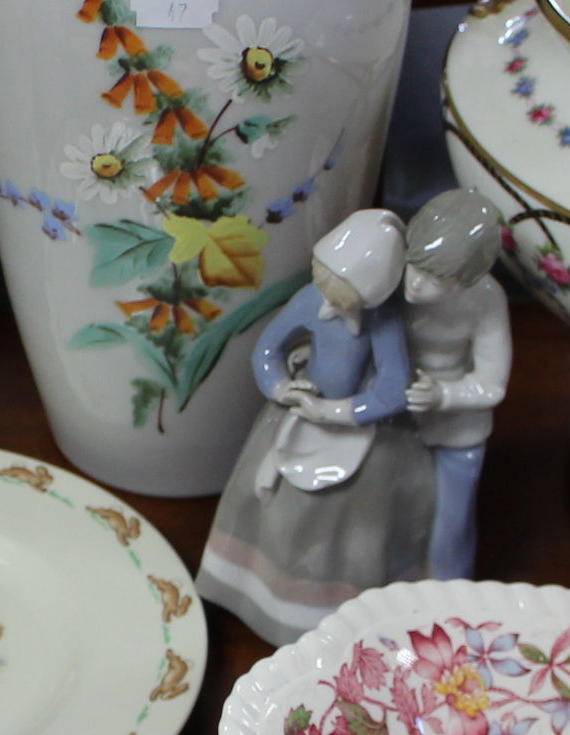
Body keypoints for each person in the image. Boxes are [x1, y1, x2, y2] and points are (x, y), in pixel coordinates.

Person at [198, 208, 433, 640]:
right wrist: (281, 387)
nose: (324, 292)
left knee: (350, 527)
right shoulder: (310, 299)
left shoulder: (383, 321)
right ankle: (245, 589)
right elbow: (267, 349)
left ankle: (327, 618)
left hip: (358, 429)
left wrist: (342, 413)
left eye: (337, 288)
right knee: (267, 505)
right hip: (300, 409)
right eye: (321, 276)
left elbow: (393, 387)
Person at [398, 189, 512, 580]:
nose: (416, 286)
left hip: (455, 432)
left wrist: (444, 394)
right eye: (415, 267)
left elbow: (493, 384)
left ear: (469, 278)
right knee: (385, 521)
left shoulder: (486, 300)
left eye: (437, 281)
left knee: (449, 527)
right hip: (393, 424)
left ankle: (447, 598)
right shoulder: (391, 270)